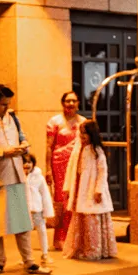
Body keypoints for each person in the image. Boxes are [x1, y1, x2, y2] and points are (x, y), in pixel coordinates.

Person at [0, 83, 51, 275]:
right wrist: (4, 153)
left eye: (8, 104)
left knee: (23, 223)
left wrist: (24, 145)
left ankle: (29, 262)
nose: (6, 108)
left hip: (16, 175)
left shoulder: (12, 117)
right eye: (3, 104)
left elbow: (22, 137)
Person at [62, 119, 117, 260]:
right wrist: (67, 187)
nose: (82, 136)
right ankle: (79, 248)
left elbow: (102, 172)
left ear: (92, 134)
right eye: (80, 133)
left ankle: (94, 250)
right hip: (79, 188)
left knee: (91, 219)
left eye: (85, 133)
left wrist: (98, 190)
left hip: (91, 189)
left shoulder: (96, 150)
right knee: (80, 219)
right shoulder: (77, 149)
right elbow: (71, 168)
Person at [46, 92, 86, 251]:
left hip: (77, 165)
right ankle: (60, 238)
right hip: (59, 165)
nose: (71, 103)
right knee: (62, 200)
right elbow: (49, 146)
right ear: (63, 103)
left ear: (78, 103)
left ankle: (74, 237)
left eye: (74, 101)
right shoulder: (54, 121)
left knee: (75, 200)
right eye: (68, 101)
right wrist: (48, 169)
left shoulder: (83, 122)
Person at [23, 153, 54, 266]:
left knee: (42, 231)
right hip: (24, 210)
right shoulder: (18, 177)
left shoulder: (39, 177)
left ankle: (45, 254)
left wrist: (47, 211)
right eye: (24, 162)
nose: (27, 164)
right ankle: (26, 256)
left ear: (33, 163)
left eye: (29, 162)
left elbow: (45, 194)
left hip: (37, 209)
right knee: (24, 235)